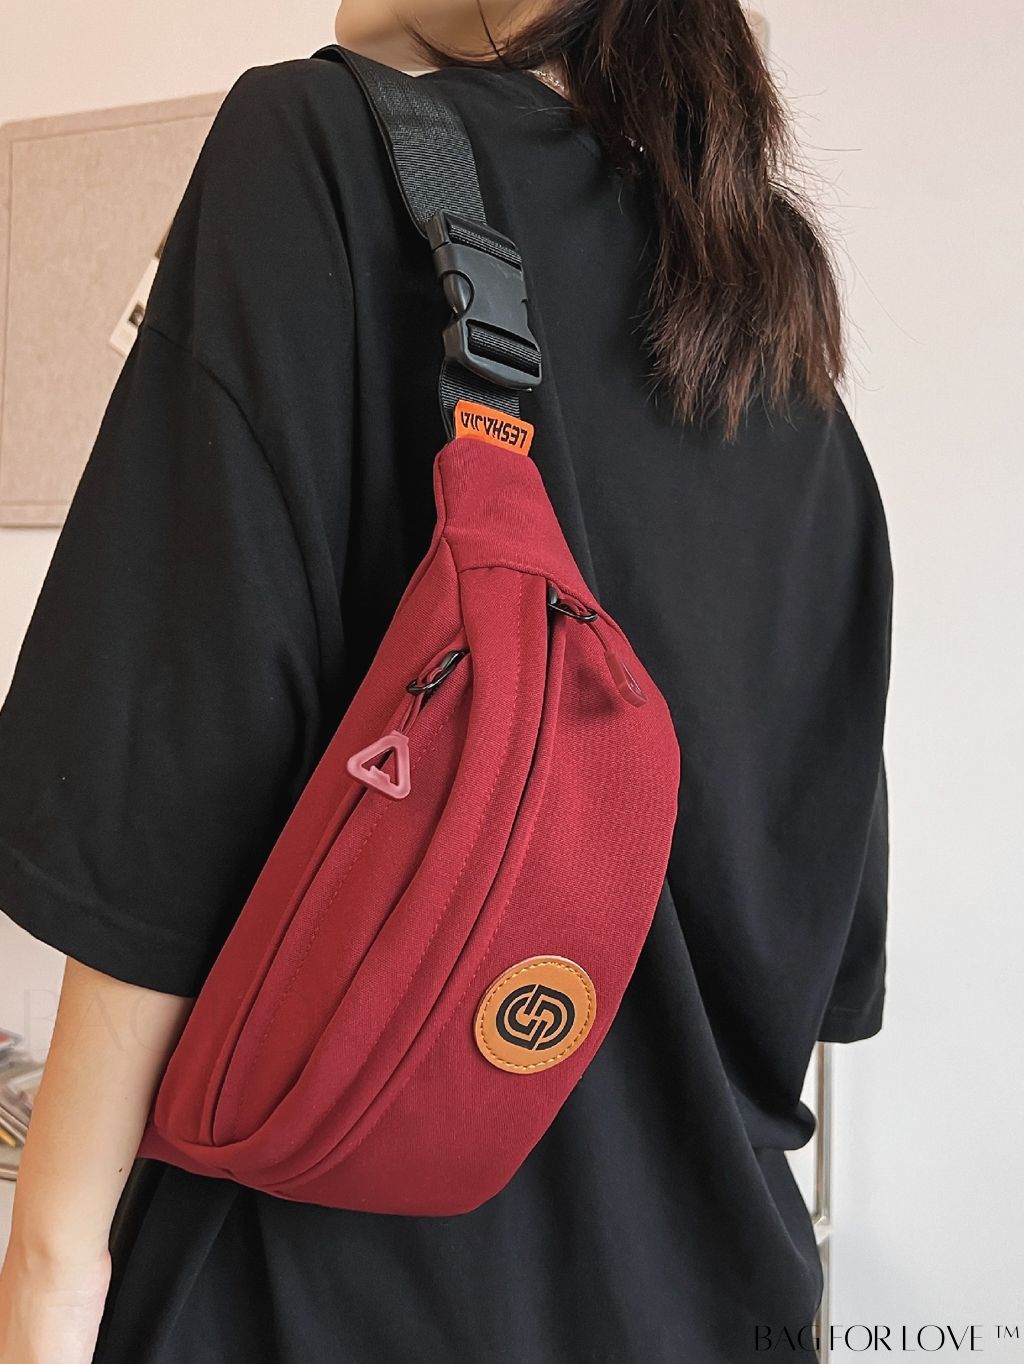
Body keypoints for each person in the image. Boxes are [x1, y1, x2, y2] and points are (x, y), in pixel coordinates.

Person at [0, 0, 893, 1359]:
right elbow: (818, 977)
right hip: (721, 1308)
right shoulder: (779, 342)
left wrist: (49, 1272)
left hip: (320, 1301)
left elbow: (156, 826)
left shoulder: (318, 149)